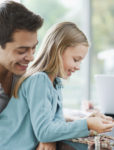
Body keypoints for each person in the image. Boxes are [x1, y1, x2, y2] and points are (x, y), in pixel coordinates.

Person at [0, 22, 114, 149]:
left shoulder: (55, 83)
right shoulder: (39, 80)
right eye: (76, 60)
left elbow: (55, 124)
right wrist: (87, 124)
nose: (78, 67)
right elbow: (45, 132)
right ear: (58, 50)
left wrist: (88, 121)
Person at [0, 1, 56, 149]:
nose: (31, 57)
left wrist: (48, 134)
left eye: (34, 48)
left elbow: (38, 114)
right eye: (22, 51)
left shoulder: (23, 76)